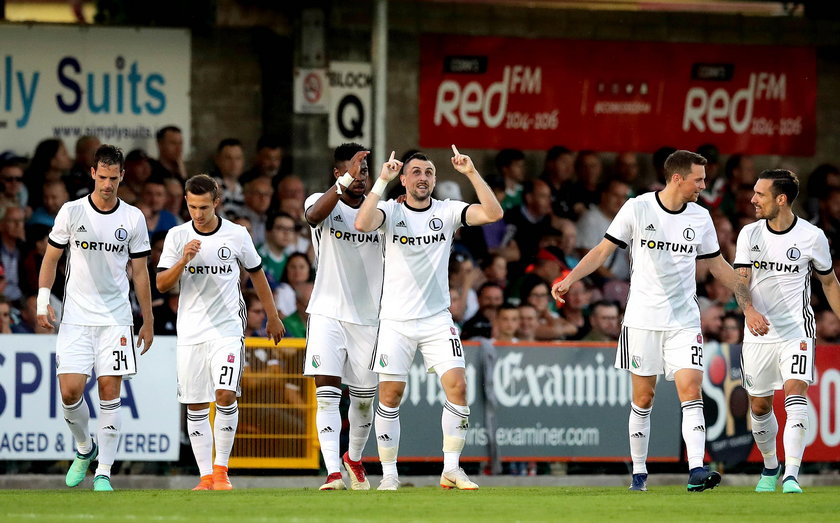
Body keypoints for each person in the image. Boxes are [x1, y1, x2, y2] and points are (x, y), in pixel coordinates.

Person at [551, 149, 768, 493]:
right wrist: (569, 279)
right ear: (677, 178)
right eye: (698, 179)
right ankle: (639, 475)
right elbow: (603, 250)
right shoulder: (638, 207)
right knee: (644, 397)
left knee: (691, 390)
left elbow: (717, 265)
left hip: (684, 321)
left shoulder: (700, 217)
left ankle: (697, 469)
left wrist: (749, 305)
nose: (703, 185)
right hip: (641, 320)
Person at [355, 145, 503, 491]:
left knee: (458, 387)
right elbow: (362, 223)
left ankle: (451, 468)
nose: (423, 178)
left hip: (437, 319)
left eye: (429, 173)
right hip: (395, 320)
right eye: (417, 172)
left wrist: (470, 172)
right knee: (390, 395)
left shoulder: (449, 211)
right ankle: (389, 474)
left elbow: (493, 213)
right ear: (404, 179)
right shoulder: (390, 211)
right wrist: (381, 180)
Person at [36, 144, 154, 492]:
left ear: (122, 176)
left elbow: (141, 273)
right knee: (70, 392)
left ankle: (104, 471)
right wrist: (43, 300)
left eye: (113, 178)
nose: (107, 184)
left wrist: (146, 320)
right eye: (101, 177)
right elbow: (51, 260)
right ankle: (85, 449)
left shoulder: (132, 218)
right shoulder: (71, 212)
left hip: (116, 319)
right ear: (92, 173)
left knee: (108, 391)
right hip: (76, 318)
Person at [156, 174, 283, 491]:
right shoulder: (177, 237)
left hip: (226, 329)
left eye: (203, 206)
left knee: (225, 394)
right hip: (190, 332)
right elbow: (162, 284)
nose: (197, 213)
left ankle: (222, 471)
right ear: (186, 202)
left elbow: (257, 276)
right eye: (192, 206)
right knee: (196, 404)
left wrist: (272, 316)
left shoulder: (237, 235)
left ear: (216, 203)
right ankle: (205, 477)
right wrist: (184, 259)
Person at [734, 169, 840, 494]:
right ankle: (770, 465)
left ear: (781, 199)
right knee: (760, 407)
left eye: (759, 194)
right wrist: (749, 310)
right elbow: (740, 282)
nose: (752, 199)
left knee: (796, 394)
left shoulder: (812, 236)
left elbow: (829, 283)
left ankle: (792, 474)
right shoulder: (749, 235)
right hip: (758, 334)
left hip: (797, 331)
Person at [301, 143, 382, 490]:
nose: (360, 177)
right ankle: (333, 471)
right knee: (327, 392)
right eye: (352, 170)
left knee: (364, 404)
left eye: (364, 171)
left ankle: (353, 458)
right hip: (327, 312)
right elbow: (312, 216)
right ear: (337, 173)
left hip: (368, 318)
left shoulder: (380, 213)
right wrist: (344, 180)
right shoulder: (321, 201)